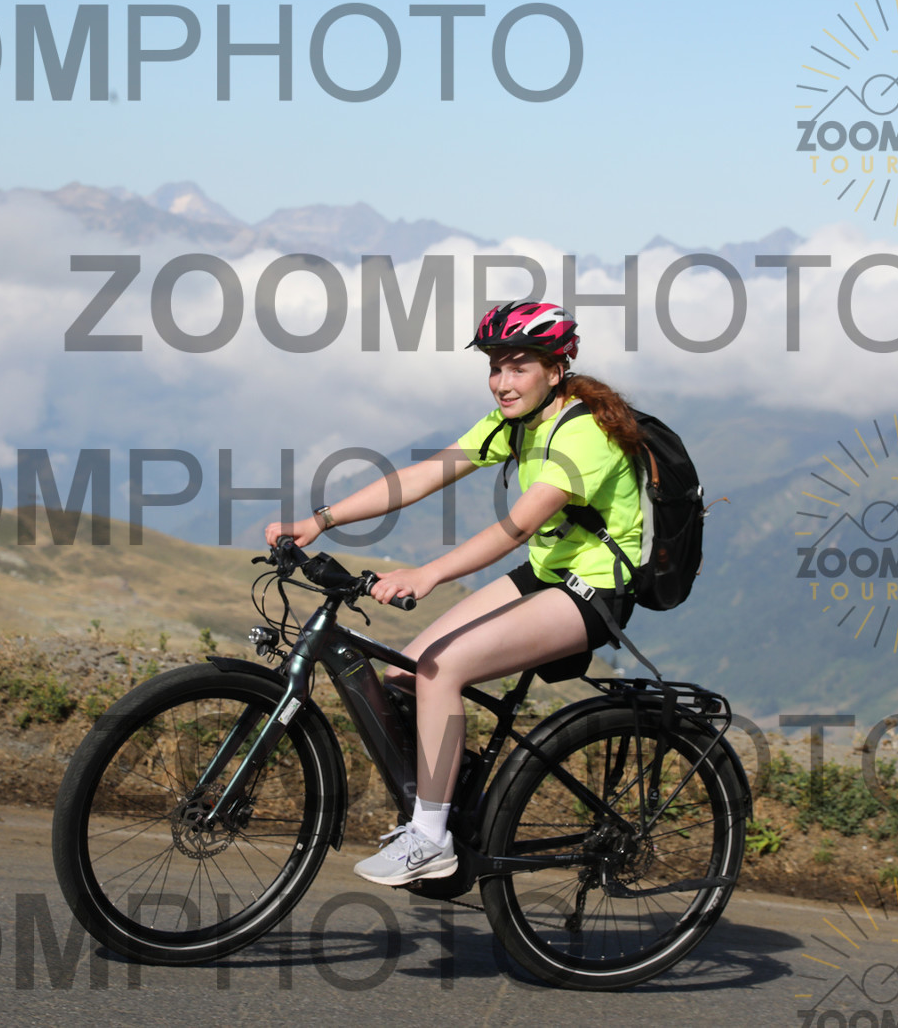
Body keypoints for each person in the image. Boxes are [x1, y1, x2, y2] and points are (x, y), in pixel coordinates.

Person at [264, 301, 644, 885]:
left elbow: (516, 527)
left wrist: (428, 574)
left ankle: (430, 837)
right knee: (402, 676)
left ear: (555, 370)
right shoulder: (515, 422)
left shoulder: (584, 433)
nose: (502, 382)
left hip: (594, 590)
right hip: (546, 573)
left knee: (442, 670)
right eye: (495, 367)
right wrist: (321, 520)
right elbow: (424, 475)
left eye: (519, 367)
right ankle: (458, 805)